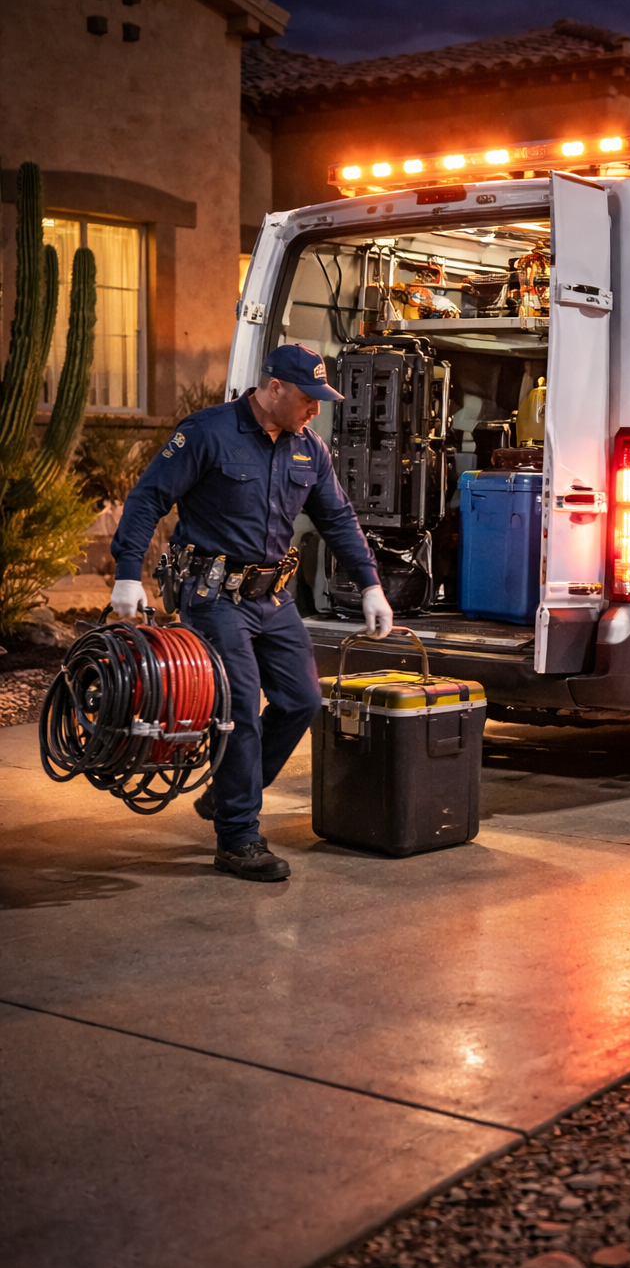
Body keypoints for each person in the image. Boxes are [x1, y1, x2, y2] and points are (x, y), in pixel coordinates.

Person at [109, 344, 392, 882]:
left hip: (272, 597)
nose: (316, 409)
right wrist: (127, 574)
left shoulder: (309, 449)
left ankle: (227, 793)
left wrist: (370, 584)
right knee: (239, 707)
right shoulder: (207, 433)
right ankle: (238, 837)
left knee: (303, 701)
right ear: (276, 387)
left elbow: (338, 518)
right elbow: (148, 499)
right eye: (309, 398)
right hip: (212, 596)